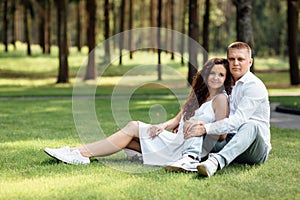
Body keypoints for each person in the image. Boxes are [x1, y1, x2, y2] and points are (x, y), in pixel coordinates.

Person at [44, 58, 232, 167]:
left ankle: (80, 154)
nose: (216, 77)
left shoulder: (220, 99)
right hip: (174, 141)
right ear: (205, 75)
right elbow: (177, 119)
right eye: (212, 73)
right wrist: (162, 126)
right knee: (129, 139)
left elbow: (222, 134)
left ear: (226, 78)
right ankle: (76, 151)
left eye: (221, 74)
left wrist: (202, 128)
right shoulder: (199, 95)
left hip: (184, 150)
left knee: (133, 127)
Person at [183, 41, 271, 177]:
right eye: (232, 59)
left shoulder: (254, 86)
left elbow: (238, 120)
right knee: (197, 123)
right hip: (230, 142)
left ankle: (216, 162)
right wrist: (194, 123)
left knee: (251, 125)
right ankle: (189, 159)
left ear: (250, 62)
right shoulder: (227, 85)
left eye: (240, 59)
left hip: (254, 148)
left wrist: (206, 128)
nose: (235, 63)